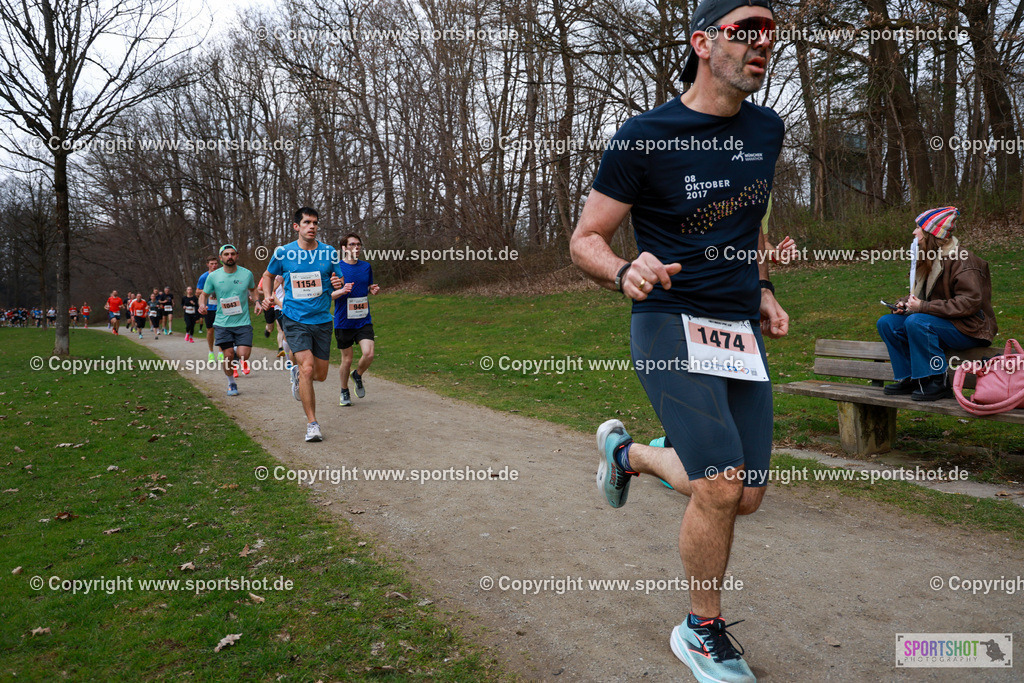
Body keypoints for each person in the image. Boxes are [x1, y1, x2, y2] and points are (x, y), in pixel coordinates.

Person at [568, 1, 786, 680]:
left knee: (744, 493)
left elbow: (750, 220)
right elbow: (585, 239)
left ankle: (628, 453)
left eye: (771, 33)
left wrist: (764, 288)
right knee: (719, 484)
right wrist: (622, 269)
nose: (762, 43)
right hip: (667, 318)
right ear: (702, 42)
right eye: (745, 31)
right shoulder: (644, 136)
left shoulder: (767, 130)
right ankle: (701, 629)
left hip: (736, 327)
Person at [877, 207, 996, 401]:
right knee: (887, 323)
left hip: (970, 328)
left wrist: (922, 307)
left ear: (932, 233)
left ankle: (938, 381)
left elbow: (970, 302)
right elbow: (923, 296)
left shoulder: (963, 259)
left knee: (916, 321)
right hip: (941, 322)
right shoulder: (930, 257)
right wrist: (904, 303)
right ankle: (911, 378)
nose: (914, 232)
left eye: (919, 228)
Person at [260, 207, 344, 442]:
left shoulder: (329, 252)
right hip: (294, 319)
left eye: (315, 222)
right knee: (307, 368)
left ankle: (298, 374)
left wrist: (338, 282)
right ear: (296, 226)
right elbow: (267, 276)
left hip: (322, 320)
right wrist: (268, 295)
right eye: (307, 222)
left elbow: (339, 278)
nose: (312, 226)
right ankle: (312, 424)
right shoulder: (284, 253)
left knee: (320, 374)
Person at [199, 245, 259, 396]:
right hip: (222, 323)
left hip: (243, 322)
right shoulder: (213, 276)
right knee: (228, 356)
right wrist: (202, 305)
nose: (229, 257)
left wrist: (257, 302)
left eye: (232, 254)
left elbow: (253, 290)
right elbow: (204, 294)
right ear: (221, 258)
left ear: (237, 255)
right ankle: (231, 383)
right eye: (226, 254)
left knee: (244, 355)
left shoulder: (247, 274)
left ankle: (234, 354)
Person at [330, 233, 380, 406]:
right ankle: (344, 390)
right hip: (344, 321)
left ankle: (357, 375)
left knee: (369, 353)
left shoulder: (366, 267)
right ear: (344, 248)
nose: (356, 247)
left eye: (358, 244)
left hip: (363, 319)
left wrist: (372, 289)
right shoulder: (337, 268)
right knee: (347, 360)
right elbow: (329, 295)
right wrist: (342, 291)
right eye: (352, 244)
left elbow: (367, 286)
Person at [197, 255, 223, 362]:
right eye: (212, 264)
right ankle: (211, 352)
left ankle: (221, 352)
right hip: (210, 308)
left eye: (216, 263)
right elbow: (197, 291)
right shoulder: (204, 277)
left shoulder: (222, 274)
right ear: (207, 264)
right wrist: (209, 290)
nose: (214, 266)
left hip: (222, 307)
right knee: (210, 331)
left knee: (221, 330)